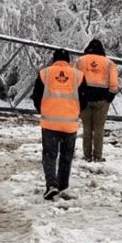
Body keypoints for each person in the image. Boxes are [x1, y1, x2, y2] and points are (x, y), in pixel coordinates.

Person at [31, 48, 86, 200]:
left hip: (49, 123)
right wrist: (76, 111)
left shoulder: (45, 73)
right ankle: (62, 185)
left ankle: (51, 185)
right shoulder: (78, 75)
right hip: (70, 123)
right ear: (68, 60)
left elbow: (36, 96)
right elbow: (84, 99)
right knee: (66, 155)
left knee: (49, 155)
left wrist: (43, 110)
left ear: (54, 59)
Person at [75, 39, 120, 162]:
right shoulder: (109, 63)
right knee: (99, 129)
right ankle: (97, 156)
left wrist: (79, 96)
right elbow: (114, 84)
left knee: (87, 129)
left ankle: (87, 155)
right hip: (102, 100)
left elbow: (74, 80)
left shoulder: (80, 61)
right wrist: (109, 97)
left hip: (84, 99)